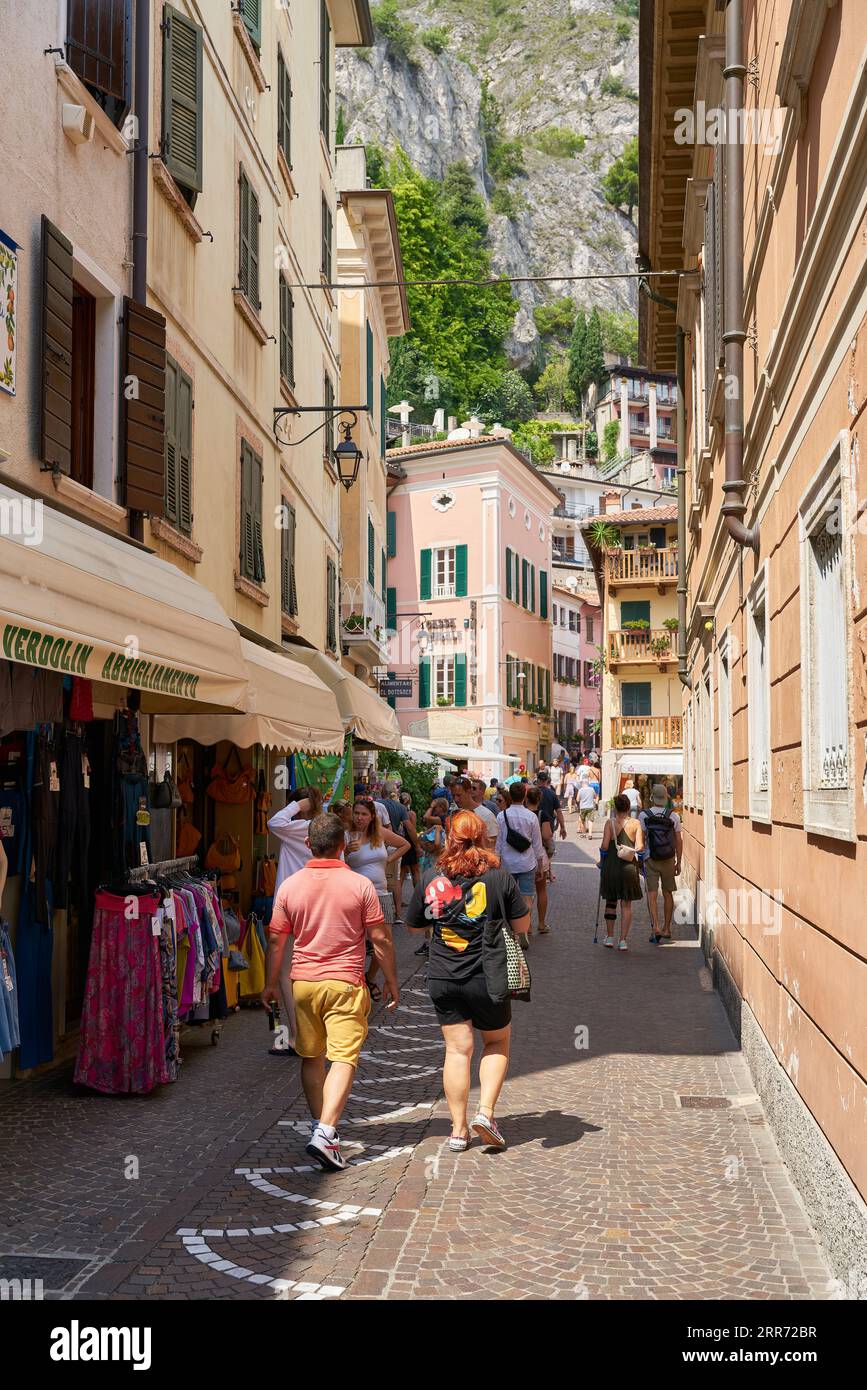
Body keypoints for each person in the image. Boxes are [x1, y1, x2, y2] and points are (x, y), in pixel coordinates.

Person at [263, 812, 399, 1172]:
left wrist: (268, 983)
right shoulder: (359, 886)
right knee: (343, 1058)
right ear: (343, 846)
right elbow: (380, 939)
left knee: (311, 1057)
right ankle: (325, 1131)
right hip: (344, 982)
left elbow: (277, 939)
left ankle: (321, 1128)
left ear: (309, 844)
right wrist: (390, 979)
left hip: (304, 984)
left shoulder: (290, 886)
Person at [405, 810, 530, 1152]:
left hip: (444, 975)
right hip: (487, 974)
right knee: (496, 1042)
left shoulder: (433, 877)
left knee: (457, 1050)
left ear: (449, 837)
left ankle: (459, 1131)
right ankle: (486, 1113)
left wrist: (442, 919)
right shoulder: (499, 877)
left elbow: (414, 926)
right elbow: (522, 927)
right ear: (484, 838)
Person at [347, 798, 409, 996]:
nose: (359, 818)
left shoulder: (379, 833)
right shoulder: (347, 835)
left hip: (381, 893)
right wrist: (346, 851)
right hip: (356, 895)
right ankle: (355, 981)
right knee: (356, 940)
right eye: (356, 813)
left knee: (385, 942)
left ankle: (370, 977)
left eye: (364, 814)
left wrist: (389, 859)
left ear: (372, 816)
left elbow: (405, 844)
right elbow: (335, 859)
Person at [495, 782, 545, 943]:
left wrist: (496, 860)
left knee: (508, 897)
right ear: (524, 796)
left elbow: (499, 842)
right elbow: (537, 844)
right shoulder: (531, 816)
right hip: (527, 862)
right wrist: (540, 865)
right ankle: (523, 928)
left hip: (508, 863)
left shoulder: (501, 816)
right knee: (527, 898)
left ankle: (512, 929)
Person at [599, 793, 644, 951]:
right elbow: (640, 847)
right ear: (628, 807)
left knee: (610, 902)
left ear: (615, 807)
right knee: (626, 905)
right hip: (629, 868)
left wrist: (602, 857)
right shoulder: (636, 824)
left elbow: (605, 846)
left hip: (612, 866)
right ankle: (623, 940)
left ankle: (610, 937)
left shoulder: (609, 823)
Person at [640, 784, 683, 943]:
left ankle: (655, 927)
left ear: (652, 797)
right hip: (668, 858)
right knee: (667, 893)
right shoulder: (674, 816)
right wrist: (678, 862)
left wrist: (640, 859)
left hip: (650, 858)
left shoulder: (644, 815)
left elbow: (641, 840)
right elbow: (678, 840)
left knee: (651, 894)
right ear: (665, 798)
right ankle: (666, 928)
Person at [524, 786, 551, 934]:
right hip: (539, 854)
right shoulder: (542, 815)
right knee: (541, 891)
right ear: (539, 800)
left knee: (524, 892)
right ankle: (541, 923)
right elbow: (547, 836)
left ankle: (526, 924)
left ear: (526, 799)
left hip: (523, 856)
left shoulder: (522, 814)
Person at [398, 790, 421, 896]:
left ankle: (398, 898)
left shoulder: (397, 811)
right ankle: (417, 896)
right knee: (415, 870)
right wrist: (417, 846)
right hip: (410, 843)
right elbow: (413, 829)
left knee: (401, 873)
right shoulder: (411, 814)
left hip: (400, 842)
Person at [535, 769, 567, 844]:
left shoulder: (532, 792)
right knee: (548, 849)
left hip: (534, 824)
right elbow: (559, 811)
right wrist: (562, 827)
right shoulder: (552, 793)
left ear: (538, 780)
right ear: (546, 781)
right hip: (548, 825)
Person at [469, 777, 500, 846]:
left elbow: (496, 825)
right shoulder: (466, 806)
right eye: (470, 787)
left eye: (474, 788)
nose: (471, 790)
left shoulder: (491, 806)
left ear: (482, 791)